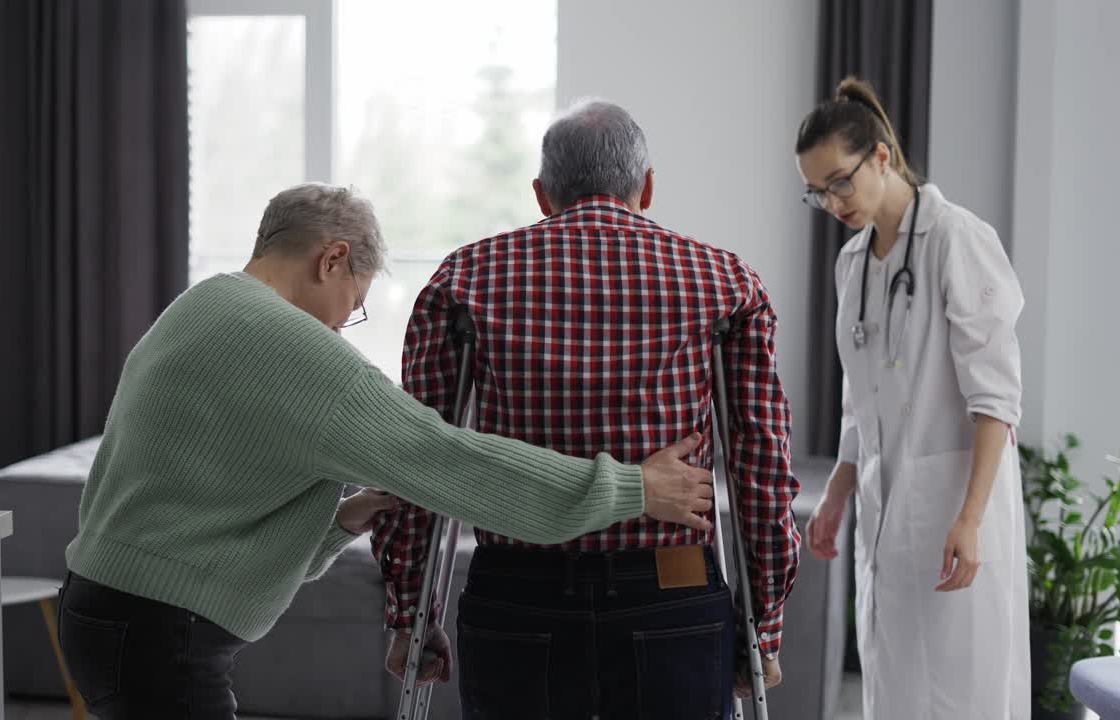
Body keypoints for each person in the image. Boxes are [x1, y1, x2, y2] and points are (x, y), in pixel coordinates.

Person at [57, 183, 719, 719]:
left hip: (99, 612)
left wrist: (342, 520)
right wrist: (633, 488)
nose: (345, 322)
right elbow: (456, 464)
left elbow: (200, 490)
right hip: (160, 637)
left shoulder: (202, 307)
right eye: (356, 301)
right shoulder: (292, 346)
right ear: (332, 259)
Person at [373, 100, 800, 719]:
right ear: (647, 186)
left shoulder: (465, 278)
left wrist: (409, 614)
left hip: (515, 591)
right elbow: (763, 460)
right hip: (672, 590)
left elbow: (419, 457)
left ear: (543, 195)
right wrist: (764, 625)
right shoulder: (723, 280)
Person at [797, 78, 1029, 719]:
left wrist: (971, 517)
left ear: (879, 156)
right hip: (885, 508)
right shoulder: (853, 263)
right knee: (895, 689)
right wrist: (837, 493)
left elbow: (996, 400)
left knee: (961, 692)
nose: (832, 200)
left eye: (840, 181)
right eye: (817, 192)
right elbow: (860, 397)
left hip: (955, 508)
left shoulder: (958, 239)